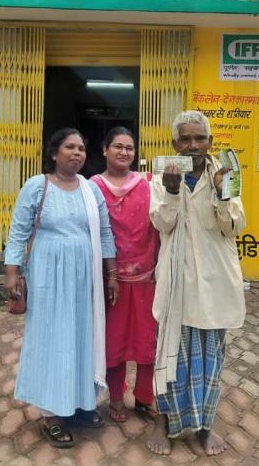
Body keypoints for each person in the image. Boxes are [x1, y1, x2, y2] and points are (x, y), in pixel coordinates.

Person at [4, 128, 119, 449]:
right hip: (48, 277)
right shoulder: (36, 186)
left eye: (81, 148)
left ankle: (81, 403)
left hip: (84, 279)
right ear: (54, 153)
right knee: (51, 339)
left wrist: (112, 274)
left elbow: (105, 232)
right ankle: (51, 414)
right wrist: (11, 273)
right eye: (70, 147)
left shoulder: (91, 189)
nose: (77, 153)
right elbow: (18, 232)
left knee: (81, 337)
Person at [146, 110, 247, 456]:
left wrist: (222, 194)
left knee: (210, 358)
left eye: (199, 138)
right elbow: (162, 224)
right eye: (186, 139)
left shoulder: (226, 174)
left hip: (214, 281)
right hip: (177, 282)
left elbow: (234, 226)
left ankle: (205, 425)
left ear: (210, 142)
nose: (193, 145)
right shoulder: (162, 176)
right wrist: (172, 192)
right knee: (170, 353)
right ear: (175, 144)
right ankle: (163, 422)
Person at [90, 127, 160, 423]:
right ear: (104, 150)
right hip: (111, 280)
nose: (124, 152)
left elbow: (162, 222)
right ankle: (116, 398)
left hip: (147, 277)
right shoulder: (92, 187)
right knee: (114, 343)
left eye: (129, 148)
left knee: (148, 342)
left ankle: (144, 398)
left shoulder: (150, 183)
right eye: (117, 146)